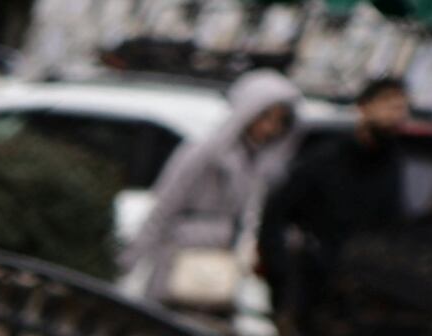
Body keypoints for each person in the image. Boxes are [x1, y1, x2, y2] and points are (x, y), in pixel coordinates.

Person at [261, 76, 432, 335]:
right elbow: (276, 215)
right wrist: (282, 276)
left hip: (354, 296)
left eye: (402, 107)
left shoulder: (393, 165)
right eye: (389, 104)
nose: (396, 114)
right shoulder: (324, 157)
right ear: (364, 106)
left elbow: (391, 226)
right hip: (307, 285)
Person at [128, 71, 304, 316]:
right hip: (179, 256)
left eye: (280, 121)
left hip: (221, 266)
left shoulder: (264, 164)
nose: (270, 128)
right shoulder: (204, 152)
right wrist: (131, 260)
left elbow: (251, 217)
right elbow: (165, 205)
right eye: (264, 116)